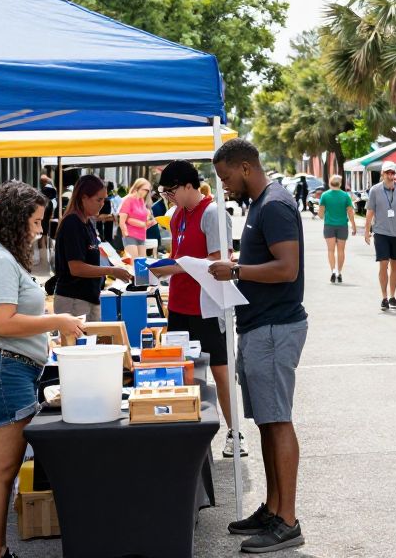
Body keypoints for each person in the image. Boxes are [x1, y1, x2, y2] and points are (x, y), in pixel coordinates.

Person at [0, 182, 85, 558]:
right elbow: (2, 323)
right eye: (37, 222)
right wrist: (55, 320)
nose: (40, 230)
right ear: (15, 219)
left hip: (3, 367)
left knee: (3, 471)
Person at [209, 139, 307, 553]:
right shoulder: (261, 205)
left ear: (246, 167)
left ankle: (287, 521)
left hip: (273, 328)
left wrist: (234, 269)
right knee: (267, 421)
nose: (224, 186)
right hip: (260, 327)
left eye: (227, 178)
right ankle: (273, 507)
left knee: (277, 420)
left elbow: (287, 269)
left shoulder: (274, 205)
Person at [150, 161, 243, 457]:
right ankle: (188, 432)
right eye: (165, 192)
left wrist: (173, 269)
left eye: (171, 190)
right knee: (184, 371)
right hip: (179, 304)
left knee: (220, 370)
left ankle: (235, 433)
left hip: (206, 306)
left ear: (189, 185)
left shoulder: (213, 212)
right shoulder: (177, 214)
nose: (169, 197)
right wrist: (167, 267)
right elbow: (178, 254)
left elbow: (218, 261)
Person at [54, 175, 133, 321]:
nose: (102, 204)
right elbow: (76, 268)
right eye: (99, 199)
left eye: (105, 199)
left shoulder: (87, 222)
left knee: (92, 340)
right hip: (74, 300)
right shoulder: (72, 223)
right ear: (84, 197)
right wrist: (111, 271)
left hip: (89, 298)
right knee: (79, 343)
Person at [364, 160, 396, 311]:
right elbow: (369, 212)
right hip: (381, 232)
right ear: (382, 173)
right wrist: (367, 231)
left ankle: (392, 296)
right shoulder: (375, 190)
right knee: (383, 263)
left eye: (392, 172)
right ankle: (384, 297)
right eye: (387, 172)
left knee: (395, 266)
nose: (390, 175)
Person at [318, 174, 357, 283]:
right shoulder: (345, 196)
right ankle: (339, 272)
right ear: (340, 183)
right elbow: (350, 212)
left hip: (329, 225)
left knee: (330, 250)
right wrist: (353, 226)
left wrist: (323, 213)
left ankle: (333, 271)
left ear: (330, 183)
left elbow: (320, 214)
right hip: (342, 226)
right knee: (341, 250)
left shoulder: (325, 195)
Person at [118, 177, 156, 259]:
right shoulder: (128, 200)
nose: (146, 192)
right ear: (137, 188)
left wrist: (150, 222)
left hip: (141, 236)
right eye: (144, 189)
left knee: (141, 264)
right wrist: (125, 234)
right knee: (133, 264)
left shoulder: (141, 201)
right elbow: (122, 221)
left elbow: (144, 222)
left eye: (148, 190)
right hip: (130, 235)